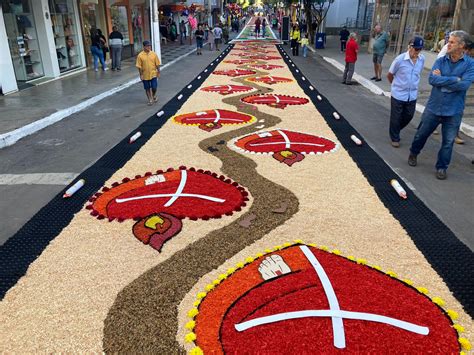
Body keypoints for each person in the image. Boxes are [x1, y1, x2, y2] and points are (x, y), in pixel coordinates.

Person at [407, 31, 474, 180]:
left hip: (454, 110)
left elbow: (464, 85)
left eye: (451, 42)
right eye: (448, 41)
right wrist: (454, 80)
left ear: (461, 46)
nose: (447, 44)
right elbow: (432, 80)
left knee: (448, 142)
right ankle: (413, 153)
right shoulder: (441, 61)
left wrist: (443, 79)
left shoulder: (470, 64)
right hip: (434, 107)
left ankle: (442, 167)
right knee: (421, 134)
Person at [386, 36, 425, 147]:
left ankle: (395, 129)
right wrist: (395, 85)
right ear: (410, 47)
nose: (418, 52)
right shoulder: (400, 59)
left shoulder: (422, 60)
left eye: (420, 49)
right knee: (396, 117)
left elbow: (418, 74)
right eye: (416, 49)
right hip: (398, 93)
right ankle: (395, 137)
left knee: (409, 116)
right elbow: (390, 75)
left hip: (412, 95)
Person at [136, 40, 161, 106]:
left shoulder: (153, 54)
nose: (149, 47)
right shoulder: (140, 56)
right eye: (147, 46)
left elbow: (157, 64)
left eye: (149, 46)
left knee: (154, 87)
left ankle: (154, 95)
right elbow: (139, 66)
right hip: (145, 75)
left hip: (153, 74)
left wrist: (159, 71)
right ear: (144, 47)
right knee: (147, 88)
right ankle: (150, 99)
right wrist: (141, 75)